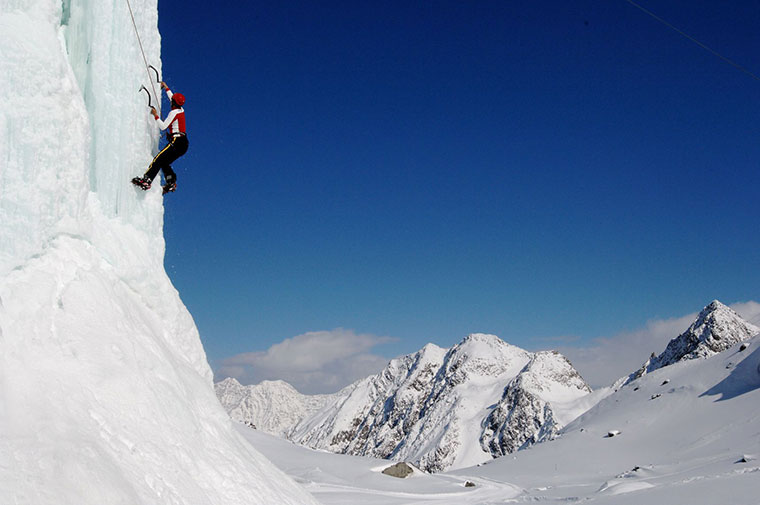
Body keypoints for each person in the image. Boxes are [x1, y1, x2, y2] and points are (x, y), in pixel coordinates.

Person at [131, 81, 188, 194]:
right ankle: (171, 182)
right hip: (183, 143)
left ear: (173, 103)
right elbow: (172, 97)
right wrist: (166, 88)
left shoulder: (173, 113)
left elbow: (163, 126)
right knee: (164, 162)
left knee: (158, 159)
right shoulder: (181, 109)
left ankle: (147, 180)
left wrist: (155, 115)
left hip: (177, 141)